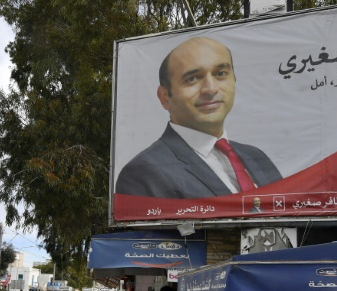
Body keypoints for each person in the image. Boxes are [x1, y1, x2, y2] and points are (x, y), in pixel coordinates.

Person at [116, 36, 282, 199]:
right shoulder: (143, 172)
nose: (210, 89)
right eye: (192, 78)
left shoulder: (256, 157)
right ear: (165, 97)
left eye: (220, 73)